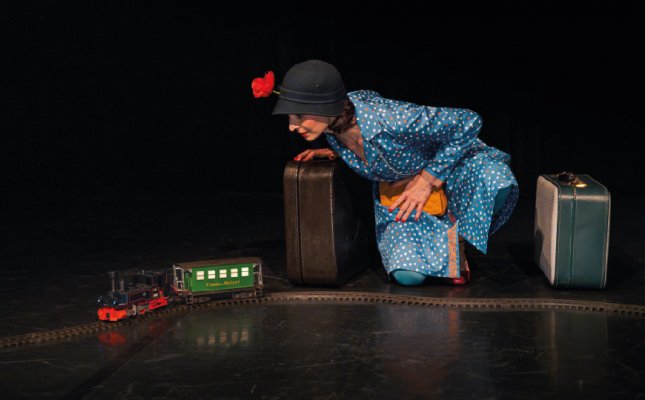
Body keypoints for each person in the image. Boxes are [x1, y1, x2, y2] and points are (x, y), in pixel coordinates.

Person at [268, 59, 518, 286]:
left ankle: (457, 243)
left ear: (326, 105)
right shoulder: (333, 127)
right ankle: (444, 248)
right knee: (407, 276)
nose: (292, 126)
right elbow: (372, 138)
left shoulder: (392, 119)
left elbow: (469, 120)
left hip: (453, 166)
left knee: (497, 182)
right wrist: (335, 153)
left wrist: (428, 179)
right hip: (404, 192)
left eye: (299, 115)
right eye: (291, 116)